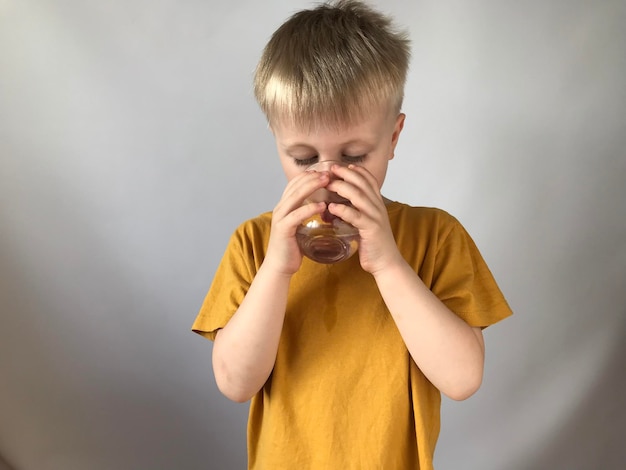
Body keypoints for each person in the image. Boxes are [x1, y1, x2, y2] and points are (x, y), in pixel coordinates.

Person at [192, 1, 512, 468]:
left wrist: (387, 263)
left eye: (355, 155)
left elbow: (462, 379)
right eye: (303, 158)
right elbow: (235, 384)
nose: (327, 176)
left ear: (393, 139)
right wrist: (277, 269)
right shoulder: (254, 243)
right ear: (277, 140)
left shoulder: (436, 236)